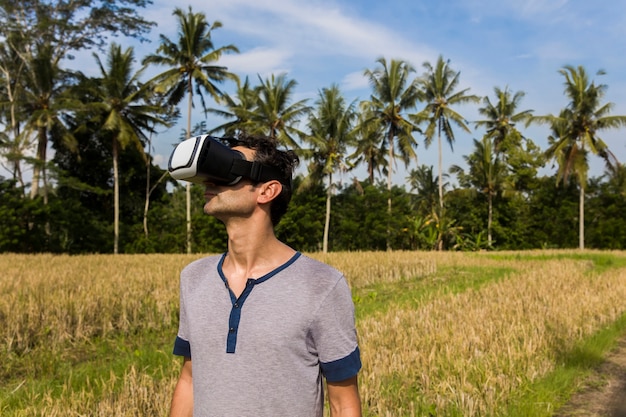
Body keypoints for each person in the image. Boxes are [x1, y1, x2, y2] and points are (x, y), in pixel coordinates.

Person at [169, 133, 362, 417]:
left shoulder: (322, 285)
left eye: (228, 169)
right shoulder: (194, 278)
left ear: (267, 191)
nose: (210, 181)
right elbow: (189, 380)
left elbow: (343, 403)